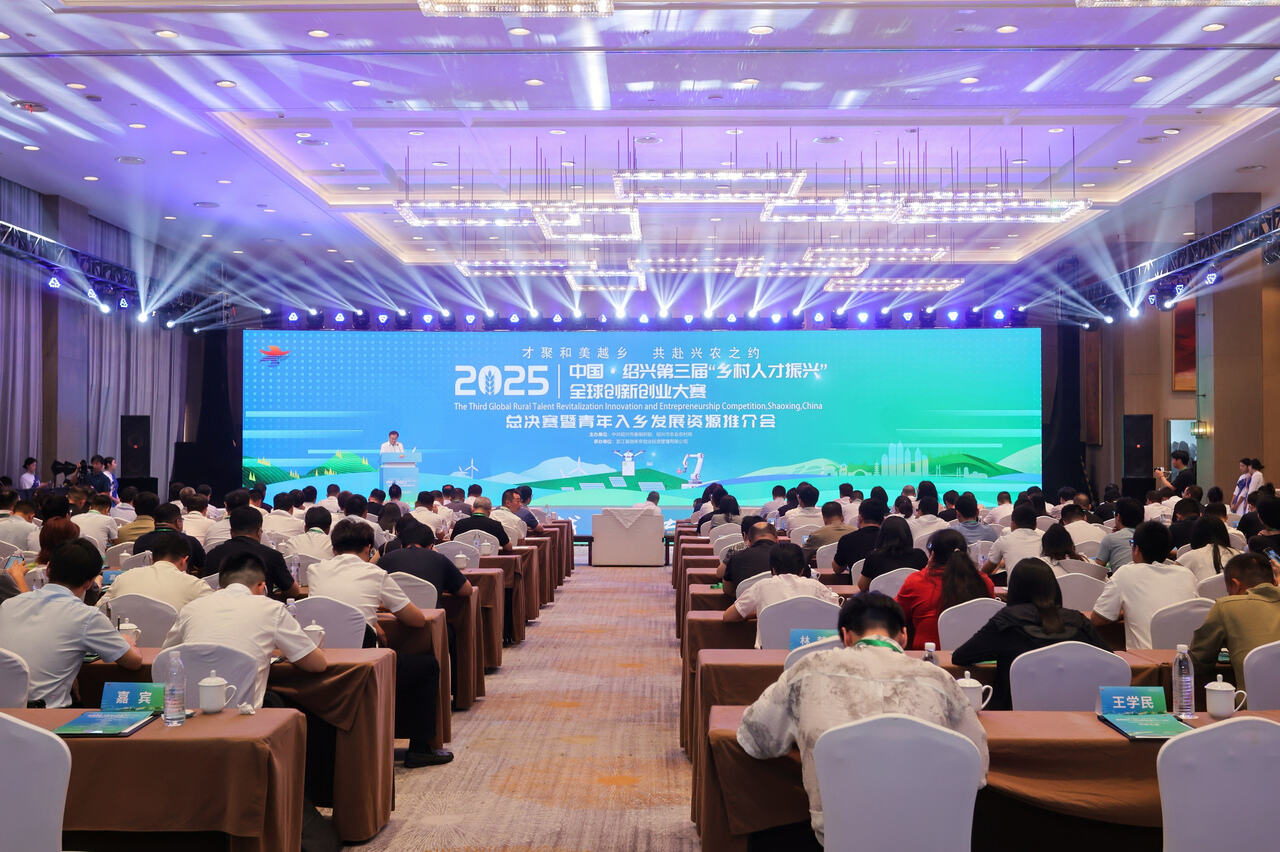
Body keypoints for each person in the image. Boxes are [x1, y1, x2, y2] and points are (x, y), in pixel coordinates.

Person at [737, 591, 988, 845]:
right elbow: (976, 769)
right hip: (931, 836)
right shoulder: (939, 679)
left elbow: (757, 739)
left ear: (845, 636)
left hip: (839, 836)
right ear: (903, 635)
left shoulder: (807, 669)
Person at [305, 520, 453, 767]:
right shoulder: (374, 573)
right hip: (363, 663)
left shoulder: (315, 570)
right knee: (426, 667)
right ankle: (420, 749)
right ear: (369, 548)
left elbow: (335, 608)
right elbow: (416, 620)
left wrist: (371, 620)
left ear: (333, 549)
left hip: (320, 657)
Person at [162, 552, 325, 708]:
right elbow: (316, 665)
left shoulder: (191, 609)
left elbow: (166, 656)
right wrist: (285, 651)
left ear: (220, 586)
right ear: (262, 586)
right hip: (244, 717)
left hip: (185, 715)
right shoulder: (272, 609)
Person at [953, 558, 1112, 710]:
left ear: (1014, 589)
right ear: (1054, 588)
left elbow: (961, 656)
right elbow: (1110, 659)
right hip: (1076, 713)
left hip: (1012, 715)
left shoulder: (1006, 621)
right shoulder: (1078, 620)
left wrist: (999, 650)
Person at [0, 539, 143, 707]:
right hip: (45, 715)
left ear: (48, 569)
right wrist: (126, 640)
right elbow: (133, 662)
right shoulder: (87, 616)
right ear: (89, 582)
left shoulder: (8, 605)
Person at [1090, 521, 1198, 649]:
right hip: (1184, 656)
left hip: (1146, 657)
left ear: (1136, 549)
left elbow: (1097, 619)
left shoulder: (1126, 573)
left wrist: (1124, 612)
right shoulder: (1187, 575)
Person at [1189, 552, 1280, 690]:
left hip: (1255, 702)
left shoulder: (1226, 606)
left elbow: (1198, 663)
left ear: (1235, 584)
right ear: (1275, 582)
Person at [724, 542, 842, 647]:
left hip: (769, 655)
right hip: (807, 651)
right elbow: (837, 614)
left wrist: (758, 613)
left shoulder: (761, 586)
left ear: (773, 569)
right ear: (802, 569)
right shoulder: (816, 587)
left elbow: (728, 616)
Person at [896, 529, 995, 650]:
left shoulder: (917, 581)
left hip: (928, 655)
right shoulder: (984, 581)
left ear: (932, 555)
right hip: (976, 654)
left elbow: (896, 614)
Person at [99, 530, 212, 614]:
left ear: (152, 558)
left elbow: (99, 610)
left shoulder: (123, 578)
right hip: (174, 639)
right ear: (184, 560)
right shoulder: (196, 585)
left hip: (124, 638)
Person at [202, 507, 302, 599]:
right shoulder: (272, 555)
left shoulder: (212, 555)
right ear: (259, 532)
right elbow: (293, 592)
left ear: (231, 532)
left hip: (221, 609)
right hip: (262, 610)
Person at [379, 520, 472, 599]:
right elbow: (467, 590)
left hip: (392, 613)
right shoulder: (439, 559)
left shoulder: (386, 559)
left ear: (401, 545)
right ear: (431, 546)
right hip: (431, 614)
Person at [856, 516, 927, 592]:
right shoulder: (920, 555)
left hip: (881, 599)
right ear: (907, 534)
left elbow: (862, 586)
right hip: (912, 598)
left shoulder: (873, 556)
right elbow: (927, 581)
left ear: (882, 535)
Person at [132, 503, 208, 574]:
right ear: (178, 522)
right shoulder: (190, 542)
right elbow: (204, 567)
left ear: (155, 522)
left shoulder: (140, 541)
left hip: (146, 582)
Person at [981, 503, 1044, 580]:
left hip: (1014, 587)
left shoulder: (1003, 541)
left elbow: (986, 570)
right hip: (1042, 585)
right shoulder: (1044, 541)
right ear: (1036, 525)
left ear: (1012, 524)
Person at [718, 522, 778, 598]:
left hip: (745, 603)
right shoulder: (790, 555)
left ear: (749, 542)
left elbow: (727, 589)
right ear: (777, 539)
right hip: (783, 603)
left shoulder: (735, 557)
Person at [833, 499, 887, 574]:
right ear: (883, 520)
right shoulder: (890, 539)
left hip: (856, 581)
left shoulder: (847, 540)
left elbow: (837, 569)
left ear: (860, 518)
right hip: (885, 581)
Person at [1180, 516, 1239, 583]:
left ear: (1196, 535)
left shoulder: (1187, 558)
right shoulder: (1240, 556)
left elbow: (1177, 582)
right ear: (1224, 534)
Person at [1096, 497, 1142, 572]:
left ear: (1118, 517)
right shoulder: (1150, 537)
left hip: (1122, 578)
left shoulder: (1110, 539)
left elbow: (1097, 570)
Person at [802, 502, 855, 566]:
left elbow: (802, 556)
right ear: (842, 517)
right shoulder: (855, 531)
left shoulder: (816, 535)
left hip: (823, 571)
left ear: (824, 519)